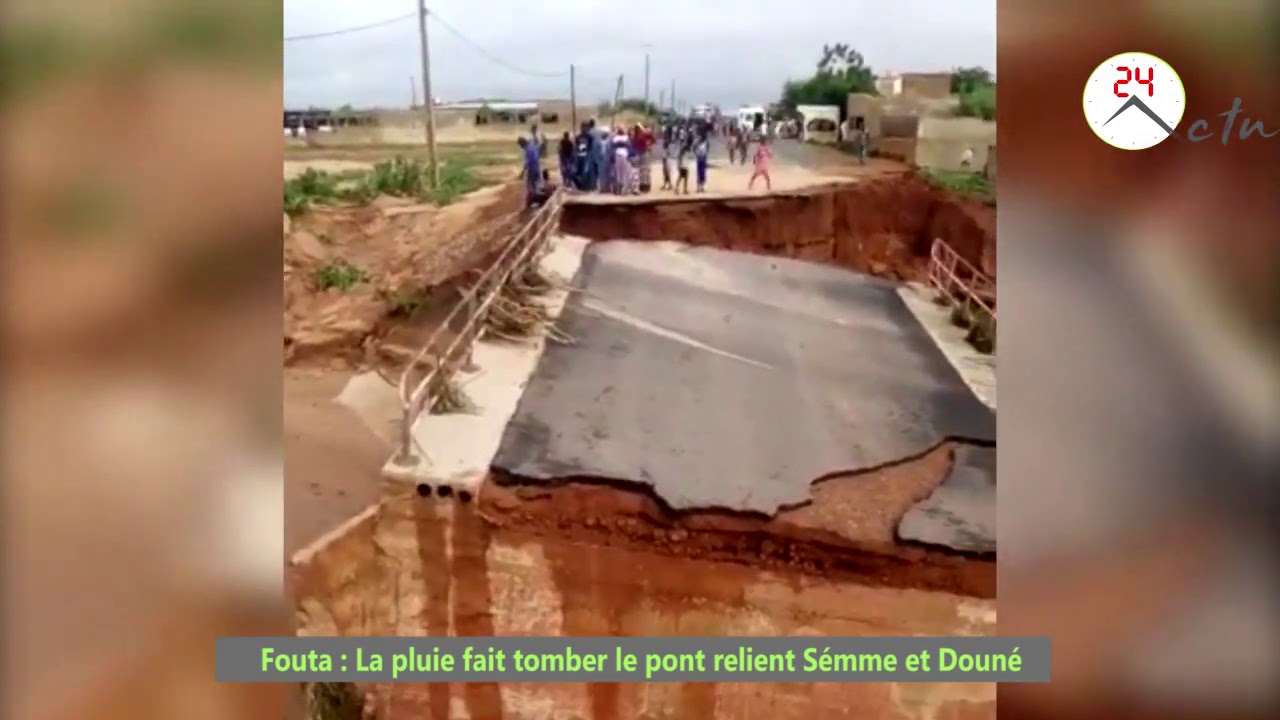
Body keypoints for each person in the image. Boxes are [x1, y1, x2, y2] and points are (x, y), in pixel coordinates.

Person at [517, 136, 541, 205]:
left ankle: (534, 200)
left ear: (522, 143)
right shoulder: (531, 144)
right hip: (537, 167)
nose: (521, 147)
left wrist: (522, 173)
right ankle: (536, 199)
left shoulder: (528, 150)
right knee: (534, 185)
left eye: (520, 145)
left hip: (532, 169)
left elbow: (527, 163)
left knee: (530, 186)